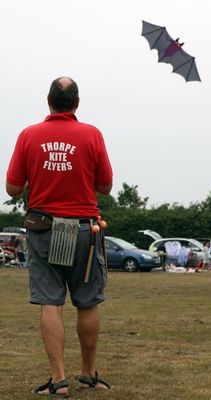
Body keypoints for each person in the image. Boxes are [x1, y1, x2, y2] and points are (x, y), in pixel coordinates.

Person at [6, 77, 113, 397]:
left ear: (48, 101)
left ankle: (58, 380)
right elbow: (105, 186)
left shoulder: (28, 135)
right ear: (76, 103)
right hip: (85, 230)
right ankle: (89, 374)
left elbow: (12, 188)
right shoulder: (92, 134)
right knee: (87, 302)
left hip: (43, 229)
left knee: (51, 303)